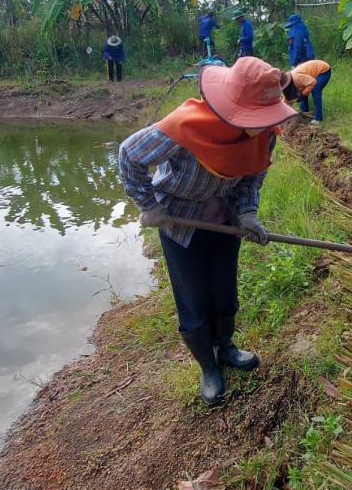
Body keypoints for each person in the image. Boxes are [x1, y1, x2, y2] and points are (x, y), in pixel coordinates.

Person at [118, 57, 298, 406]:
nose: (264, 125)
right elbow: (129, 154)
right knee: (194, 300)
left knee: (224, 290)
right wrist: (149, 206)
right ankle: (208, 366)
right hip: (180, 222)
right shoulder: (185, 126)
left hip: (224, 220)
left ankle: (227, 348)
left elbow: (252, 176)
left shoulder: (265, 134)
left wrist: (247, 214)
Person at [292, 59, 331, 124]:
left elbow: (312, 82)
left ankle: (318, 119)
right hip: (312, 72)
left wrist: (303, 95)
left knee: (315, 90)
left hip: (323, 71)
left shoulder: (296, 77)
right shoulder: (291, 80)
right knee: (303, 91)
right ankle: (304, 113)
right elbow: (287, 99)